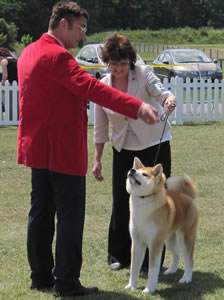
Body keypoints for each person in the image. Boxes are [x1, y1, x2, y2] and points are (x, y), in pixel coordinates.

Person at [17, 1, 162, 298]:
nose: (82, 36)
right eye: (80, 28)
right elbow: (94, 89)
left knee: (40, 213)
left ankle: (41, 275)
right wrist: (137, 106)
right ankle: (67, 282)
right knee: (70, 217)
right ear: (63, 24)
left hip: (36, 149)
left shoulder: (28, 52)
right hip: (62, 150)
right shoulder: (59, 57)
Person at [92, 33, 176, 272]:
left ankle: (154, 258)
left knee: (156, 200)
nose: (119, 68)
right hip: (123, 148)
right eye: (114, 63)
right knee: (121, 200)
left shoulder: (144, 73)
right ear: (106, 62)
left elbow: (163, 92)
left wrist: (169, 100)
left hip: (153, 144)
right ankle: (118, 255)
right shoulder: (102, 86)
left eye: (123, 63)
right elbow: (100, 127)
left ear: (130, 60)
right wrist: (97, 159)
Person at [0, 47, 18, 114]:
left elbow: (5, 75)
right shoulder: (15, 60)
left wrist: (2, 83)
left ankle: (8, 113)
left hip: (10, 83)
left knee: (6, 100)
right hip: (18, 83)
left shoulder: (3, 61)